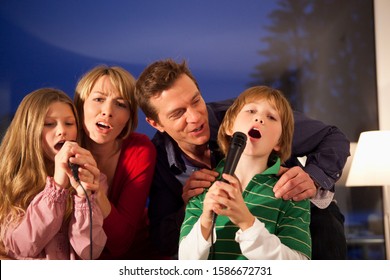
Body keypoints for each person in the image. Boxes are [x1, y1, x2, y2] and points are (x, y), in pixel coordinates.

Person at [135, 59, 350, 259]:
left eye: (196, 101)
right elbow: (165, 240)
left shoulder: (243, 114)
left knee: (325, 224)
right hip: (220, 241)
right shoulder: (158, 159)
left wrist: (313, 178)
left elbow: (333, 138)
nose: (194, 117)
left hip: (296, 212)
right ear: (156, 123)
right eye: (177, 113)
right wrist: (192, 207)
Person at [179, 85, 311, 259]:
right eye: (250, 111)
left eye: (271, 117)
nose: (259, 119)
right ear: (229, 126)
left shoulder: (290, 192)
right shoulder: (203, 188)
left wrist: (247, 224)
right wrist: (205, 221)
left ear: (279, 141)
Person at [0, 88, 106, 260]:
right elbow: (21, 247)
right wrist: (56, 188)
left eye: (69, 123)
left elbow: (90, 252)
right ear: (28, 131)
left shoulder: (94, 177)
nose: (62, 131)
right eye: (49, 124)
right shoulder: (8, 179)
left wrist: (84, 196)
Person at [74, 65, 159, 259]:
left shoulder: (140, 150)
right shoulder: (62, 146)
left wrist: (97, 192)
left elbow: (121, 243)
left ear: (130, 116)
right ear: (80, 105)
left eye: (121, 104)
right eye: (98, 99)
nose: (108, 111)